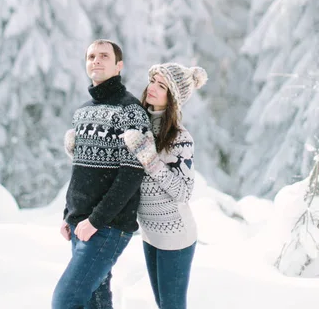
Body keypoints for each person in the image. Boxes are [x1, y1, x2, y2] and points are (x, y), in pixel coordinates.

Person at [52, 39, 150, 309]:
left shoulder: (131, 111)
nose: (96, 60)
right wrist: (67, 215)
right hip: (80, 225)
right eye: (91, 56)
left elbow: (131, 175)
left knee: (65, 300)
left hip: (108, 226)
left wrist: (95, 220)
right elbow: (81, 171)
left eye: (104, 56)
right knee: (94, 301)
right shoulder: (83, 112)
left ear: (119, 65)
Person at [123, 62, 207, 309]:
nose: (153, 88)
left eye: (162, 86)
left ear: (173, 98)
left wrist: (149, 158)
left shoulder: (180, 138)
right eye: (153, 81)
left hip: (176, 236)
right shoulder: (137, 126)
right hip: (149, 233)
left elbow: (183, 192)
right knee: (162, 304)